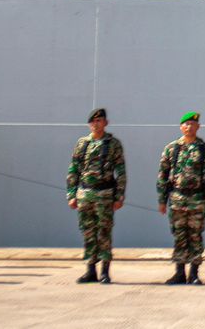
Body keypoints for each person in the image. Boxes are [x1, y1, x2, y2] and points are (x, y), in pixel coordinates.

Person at [156, 111, 205, 285]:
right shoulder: (172, 148)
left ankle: (194, 273)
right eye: (186, 124)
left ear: (198, 127)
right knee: (179, 235)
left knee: (195, 236)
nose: (189, 127)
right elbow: (163, 175)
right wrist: (162, 200)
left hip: (198, 198)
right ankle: (179, 272)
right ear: (181, 127)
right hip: (177, 197)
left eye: (193, 124)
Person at [66, 108, 126, 284]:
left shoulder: (113, 143)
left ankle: (105, 271)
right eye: (93, 121)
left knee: (104, 232)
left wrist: (119, 195)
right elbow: (74, 169)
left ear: (105, 123)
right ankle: (90, 270)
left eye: (99, 121)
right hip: (85, 193)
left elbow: (120, 171)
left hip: (105, 194)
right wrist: (71, 194)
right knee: (88, 232)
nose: (95, 124)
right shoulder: (82, 143)